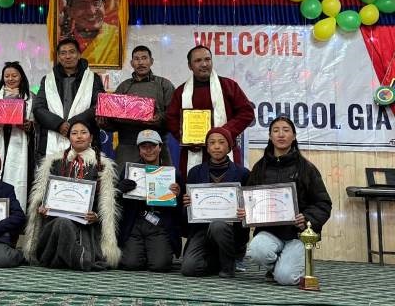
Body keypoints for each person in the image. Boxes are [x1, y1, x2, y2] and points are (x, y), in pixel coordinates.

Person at [241, 116, 332, 285]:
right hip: (269, 232)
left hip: (296, 235)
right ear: (270, 137)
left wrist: (307, 218)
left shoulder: (307, 168)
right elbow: (250, 200)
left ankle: (288, 267)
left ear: (294, 136)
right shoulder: (260, 168)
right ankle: (277, 266)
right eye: (276, 131)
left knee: (286, 278)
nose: (281, 134)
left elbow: (323, 204)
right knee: (256, 250)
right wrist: (246, 211)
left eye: (286, 130)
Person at [23, 120, 121, 271]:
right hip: (54, 222)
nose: (79, 136)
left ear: (91, 137)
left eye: (83, 133)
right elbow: (44, 196)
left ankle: (68, 259)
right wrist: (42, 207)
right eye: (74, 133)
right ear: (69, 138)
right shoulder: (54, 162)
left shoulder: (102, 166)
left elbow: (105, 205)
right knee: (62, 223)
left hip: (85, 226)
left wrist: (95, 215)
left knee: (67, 225)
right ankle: (79, 259)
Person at [166, 45, 254, 176]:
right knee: (193, 185)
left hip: (225, 149)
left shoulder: (229, 86)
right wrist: (186, 138)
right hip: (193, 152)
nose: (204, 64)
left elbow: (247, 113)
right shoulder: (181, 92)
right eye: (198, 61)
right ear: (190, 66)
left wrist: (224, 133)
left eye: (207, 59)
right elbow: (171, 118)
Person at [181, 127, 250, 278]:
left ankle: (228, 266)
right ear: (207, 147)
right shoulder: (195, 172)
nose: (216, 146)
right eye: (212, 143)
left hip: (230, 231)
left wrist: (246, 212)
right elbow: (186, 216)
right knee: (189, 269)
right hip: (201, 230)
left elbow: (249, 210)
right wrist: (186, 205)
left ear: (230, 146)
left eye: (221, 142)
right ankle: (218, 261)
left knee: (218, 225)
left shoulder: (243, 173)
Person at [116, 130, 184, 272]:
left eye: (152, 146)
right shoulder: (129, 171)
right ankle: (144, 251)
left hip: (159, 223)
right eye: (144, 147)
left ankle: (152, 251)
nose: (149, 150)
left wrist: (177, 196)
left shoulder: (172, 173)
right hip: (135, 223)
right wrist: (119, 190)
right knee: (130, 264)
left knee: (160, 265)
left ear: (160, 147)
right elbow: (117, 204)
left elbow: (180, 210)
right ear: (139, 150)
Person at [33, 37, 105, 160]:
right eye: (63, 53)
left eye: (72, 52)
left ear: (79, 54)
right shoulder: (48, 80)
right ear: (58, 57)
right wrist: (59, 124)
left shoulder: (93, 78)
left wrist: (73, 124)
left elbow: (99, 105)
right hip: (52, 139)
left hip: (85, 139)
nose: (67, 56)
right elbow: (38, 108)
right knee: (52, 172)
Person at [110, 45, 175, 168]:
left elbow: (173, 114)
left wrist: (159, 118)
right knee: (124, 179)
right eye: (137, 59)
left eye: (144, 58)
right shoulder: (123, 87)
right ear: (132, 63)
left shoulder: (164, 85)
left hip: (156, 144)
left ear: (151, 61)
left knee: (161, 179)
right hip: (128, 145)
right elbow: (113, 119)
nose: (140, 62)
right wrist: (104, 121)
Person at [0, 61, 35, 211]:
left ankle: (16, 213)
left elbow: (37, 125)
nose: (10, 79)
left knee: (18, 177)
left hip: (21, 144)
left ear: (21, 77)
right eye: (7, 76)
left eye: (14, 75)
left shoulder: (30, 97)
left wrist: (29, 126)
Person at [60, 0, 119, 66]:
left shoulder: (117, 36)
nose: (91, 11)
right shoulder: (63, 44)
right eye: (82, 5)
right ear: (70, 11)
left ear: (104, 5)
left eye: (96, 3)